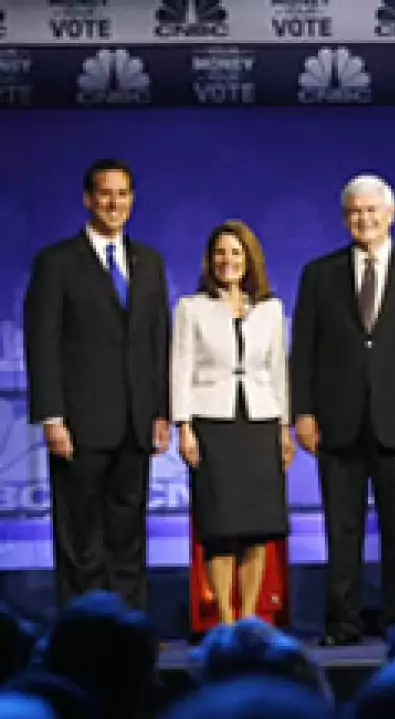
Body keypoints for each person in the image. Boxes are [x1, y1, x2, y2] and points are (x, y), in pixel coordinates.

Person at [290, 175, 395, 646]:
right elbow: (304, 350)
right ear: (345, 218)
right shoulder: (319, 274)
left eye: (371, 210)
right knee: (342, 530)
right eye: (354, 212)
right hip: (336, 421)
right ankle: (343, 622)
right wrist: (304, 411)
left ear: (391, 213)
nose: (363, 219)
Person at [23, 158, 170, 610]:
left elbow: (157, 340)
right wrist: (52, 415)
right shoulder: (58, 262)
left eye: (122, 194)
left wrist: (161, 411)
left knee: (128, 529)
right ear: (88, 199)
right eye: (105, 194)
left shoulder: (148, 262)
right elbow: (42, 342)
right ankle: (82, 624)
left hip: (136, 421)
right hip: (79, 422)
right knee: (80, 532)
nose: (114, 203)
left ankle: (130, 621)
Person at [171, 221, 293, 624]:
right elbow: (181, 367)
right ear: (210, 260)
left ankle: (250, 617)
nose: (228, 261)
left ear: (249, 259)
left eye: (236, 253)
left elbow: (278, 369)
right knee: (220, 528)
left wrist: (283, 428)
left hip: (259, 420)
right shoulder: (191, 308)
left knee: (258, 527)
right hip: (213, 422)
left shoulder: (271, 309)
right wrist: (183, 425)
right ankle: (225, 618)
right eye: (221, 253)